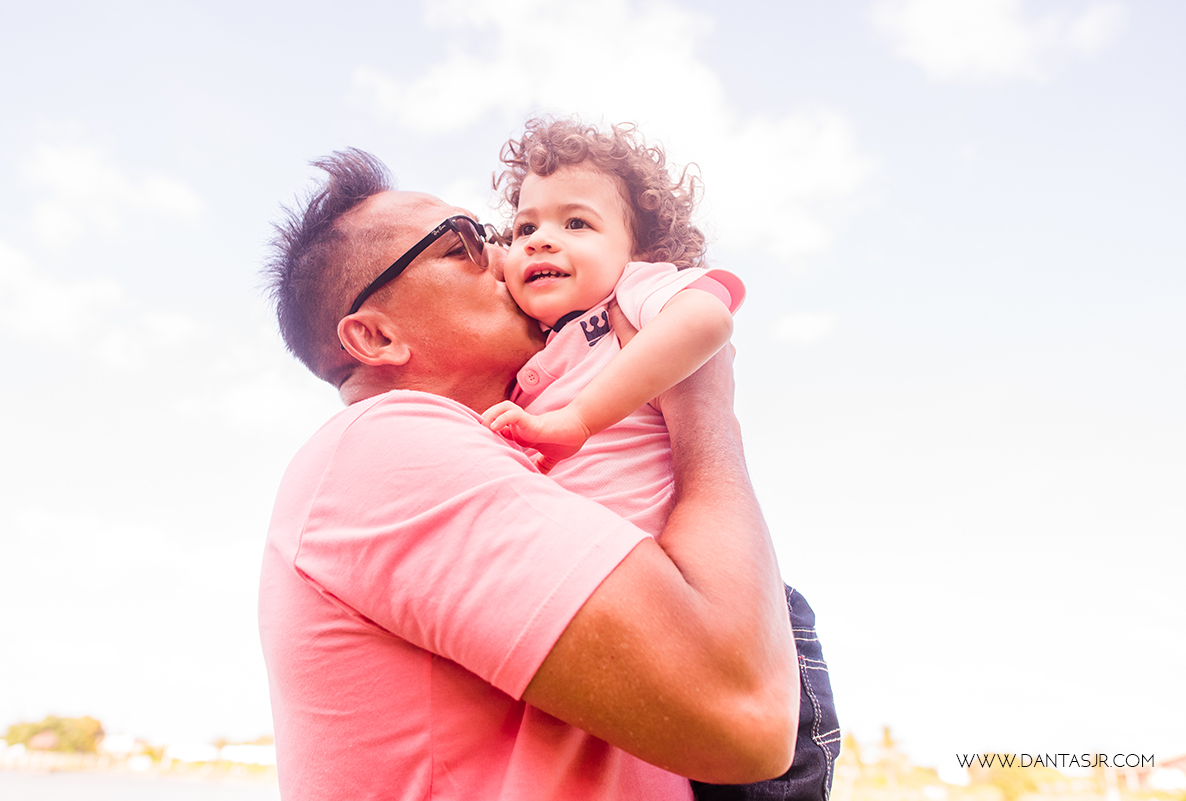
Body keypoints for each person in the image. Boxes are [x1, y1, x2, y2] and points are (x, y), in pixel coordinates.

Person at [259, 147, 798, 800]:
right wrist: (700, 399)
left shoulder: (498, 458)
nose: (508, 254)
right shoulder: (383, 445)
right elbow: (750, 716)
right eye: (464, 241)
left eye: (496, 233)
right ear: (374, 338)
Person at [481, 118, 841, 801]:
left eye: (578, 223)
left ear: (637, 249)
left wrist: (579, 419)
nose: (542, 239)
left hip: (737, 610)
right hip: (650, 616)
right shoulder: (536, 358)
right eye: (524, 229)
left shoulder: (637, 293)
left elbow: (707, 323)